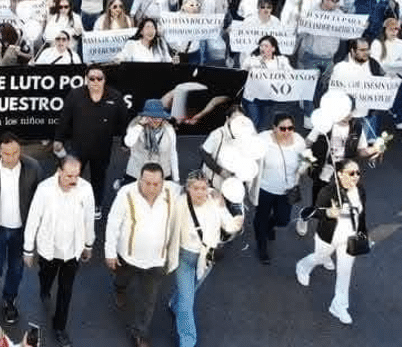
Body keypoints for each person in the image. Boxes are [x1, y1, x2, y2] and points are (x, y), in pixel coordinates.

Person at [23, 155, 95, 347]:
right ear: (59, 171)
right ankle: (44, 288)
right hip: (49, 249)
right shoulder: (44, 189)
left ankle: (59, 327)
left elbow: (89, 219)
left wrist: (88, 245)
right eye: (69, 176)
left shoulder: (85, 189)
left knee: (66, 290)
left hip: (73, 250)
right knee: (46, 275)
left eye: (76, 176)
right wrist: (28, 250)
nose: (73, 180)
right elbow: (33, 218)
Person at [104, 163, 177, 347]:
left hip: (156, 260)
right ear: (139, 180)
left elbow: (195, 189)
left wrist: (213, 194)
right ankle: (119, 288)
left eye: (156, 184)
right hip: (128, 257)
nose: (152, 188)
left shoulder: (172, 191)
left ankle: (140, 333)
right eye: (148, 183)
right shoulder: (126, 194)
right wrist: (110, 252)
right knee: (122, 280)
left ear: (163, 182)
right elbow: (113, 223)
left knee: (148, 299)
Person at [168, 170, 243, 347]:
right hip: (184, 259)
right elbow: (169, 228)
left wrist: (238, 220)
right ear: (188, 188)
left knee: (190, 290)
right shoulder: (179, 204)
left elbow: (229, 225)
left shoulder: (216, 201)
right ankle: (188, 341)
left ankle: (173, 304)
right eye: (196, 188)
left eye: (204, 188)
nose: (200, 192)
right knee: (188, 302)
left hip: (206, 260)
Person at [0, 132, 42, 325]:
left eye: (15, 152)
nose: (12, 157)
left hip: (22, 230)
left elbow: (40, 199)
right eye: (7, 153)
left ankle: (9, 301)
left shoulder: (33, 167)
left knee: (16, 268)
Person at [295, 158, 369, 325]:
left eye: (358, 172)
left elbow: (362, 214)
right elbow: (315, 212)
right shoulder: (327, 192)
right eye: (351, 173)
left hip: (349, 239)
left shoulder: (361, 190)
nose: (356, 176)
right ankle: (302, 267)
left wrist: (363, 232)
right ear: (340, 174)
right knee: (319, 258)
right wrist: (329, 213)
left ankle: (339, 306)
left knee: (345, 273)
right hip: (328, 236)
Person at [54, 65, 129, 219]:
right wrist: (58, 139)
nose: (95, 81)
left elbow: (124, 120)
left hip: (102, 147)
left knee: (99, 178)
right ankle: (70, 202)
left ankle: (96, 205)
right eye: (91, 78)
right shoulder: (75, 95)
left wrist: (124, 141)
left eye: (99, 78)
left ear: (104, 80)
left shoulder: (115, 96)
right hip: (78, 147)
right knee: (72, 175)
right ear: (86, 79)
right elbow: (64, 118)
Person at [254, 113, 308, 264]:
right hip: (265, 188)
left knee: (283, 220)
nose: (287, 132)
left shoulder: (299, 142)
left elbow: (304, 159)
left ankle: (269, 227)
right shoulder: (263, 140)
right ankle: (262, 247)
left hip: (287, 190)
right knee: (261, 218)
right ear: (274, 128)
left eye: (290, 128)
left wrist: (305, 166)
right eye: (282, 128)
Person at [121, 100, 179, 185]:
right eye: (152, 117)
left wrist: (176, 179)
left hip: (162, 175)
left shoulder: (169, 129)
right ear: (145, 116)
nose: (156, 120)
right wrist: (140, 125)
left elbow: (173, 154)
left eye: (158, 117)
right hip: (137, 175)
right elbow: (129, 143)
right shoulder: (135, 126)